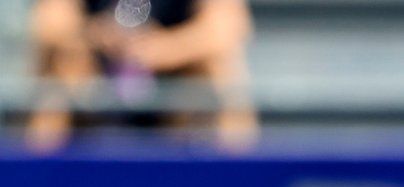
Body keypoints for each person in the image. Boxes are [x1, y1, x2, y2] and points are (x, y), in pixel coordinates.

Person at [26, 0, 255, 150]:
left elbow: (228, 25)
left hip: (174, 86)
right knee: (63, 63)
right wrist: (97, 35)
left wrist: (166, 49)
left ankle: (237, 182)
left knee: (218, 69)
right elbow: (49, 23)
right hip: (94, 81)